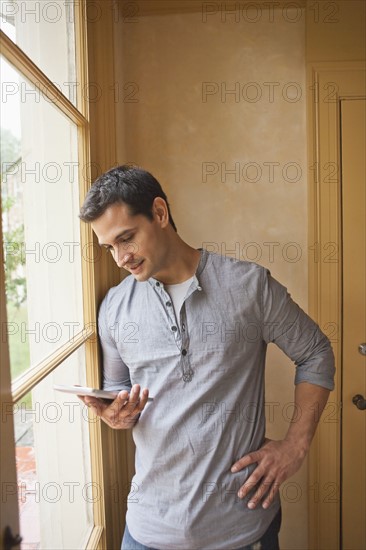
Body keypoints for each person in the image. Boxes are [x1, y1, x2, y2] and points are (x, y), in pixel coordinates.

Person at [79, 165, 335, 550]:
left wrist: (295, 445)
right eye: (109, 247)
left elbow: (315, 352)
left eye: (126, 239)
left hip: (242, 529)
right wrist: (115, 415)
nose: (120, 258)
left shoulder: (250, 286)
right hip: (147, 531)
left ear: (160, 213)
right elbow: (116, 392)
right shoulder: (114, 307)